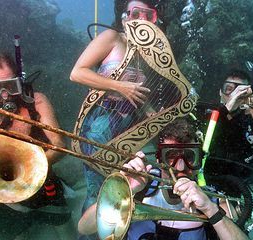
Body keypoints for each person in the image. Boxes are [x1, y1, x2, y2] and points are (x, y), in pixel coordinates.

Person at [0, 52, 75, 239]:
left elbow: (60, 145)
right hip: (2, 193)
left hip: (42, 181)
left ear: (19, 79)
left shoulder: (36, 101)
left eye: (10, 85)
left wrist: (29, 171)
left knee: (65, 230)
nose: (5, 95)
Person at [70, 1, 161, 235]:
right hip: (99, 126)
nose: (140, 18)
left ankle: (116, 233)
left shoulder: (146, 52)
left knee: (122, 183)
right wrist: (119, 87)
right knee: (97, 189)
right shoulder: (112, 37)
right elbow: (77, 73)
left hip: (129, 128)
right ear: (124, 17)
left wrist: (150, 109)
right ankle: (90, 235)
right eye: (135, 13)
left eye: (147, 14)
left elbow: (137, 91)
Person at [77, 118, 250, 240]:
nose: (181, 166)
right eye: (171, 156)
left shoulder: (214, 201)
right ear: (159, 160)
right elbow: (84, 228)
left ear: (199, 160)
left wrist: (210, 209)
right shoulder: (141, 189)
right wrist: (123, 189)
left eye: (189, 156)